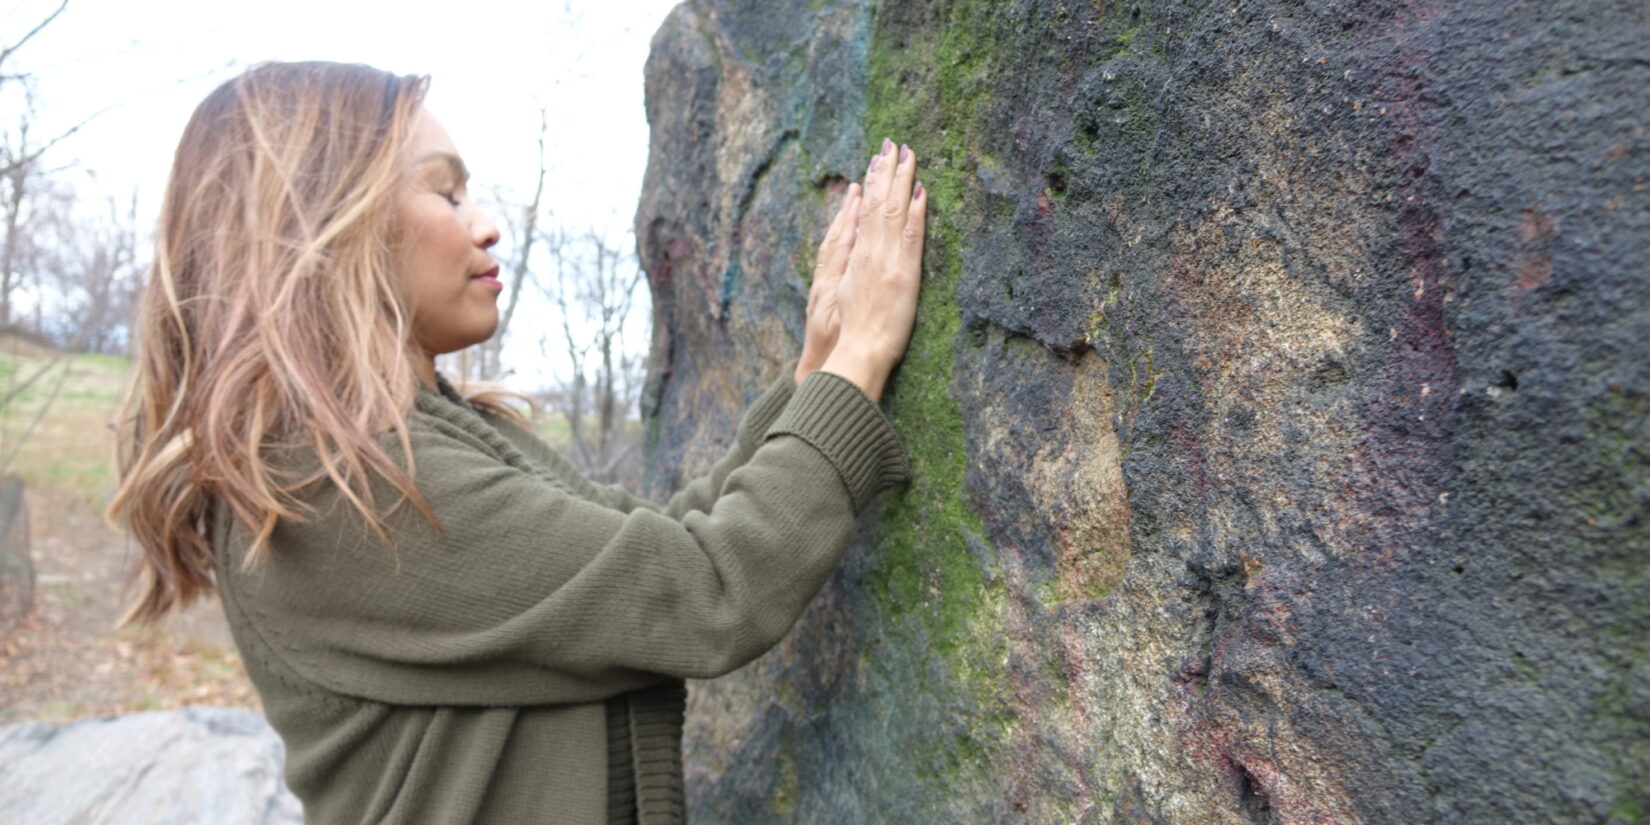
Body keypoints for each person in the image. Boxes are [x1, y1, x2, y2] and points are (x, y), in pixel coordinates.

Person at [108, 61, 926, 824]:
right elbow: (703, 587)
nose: (488, 226)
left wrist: (816, 372)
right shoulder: (336, 483)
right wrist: (858, 362)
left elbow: (652, 551)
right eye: (447, 193)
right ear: (325, 223)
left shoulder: (426, 435)